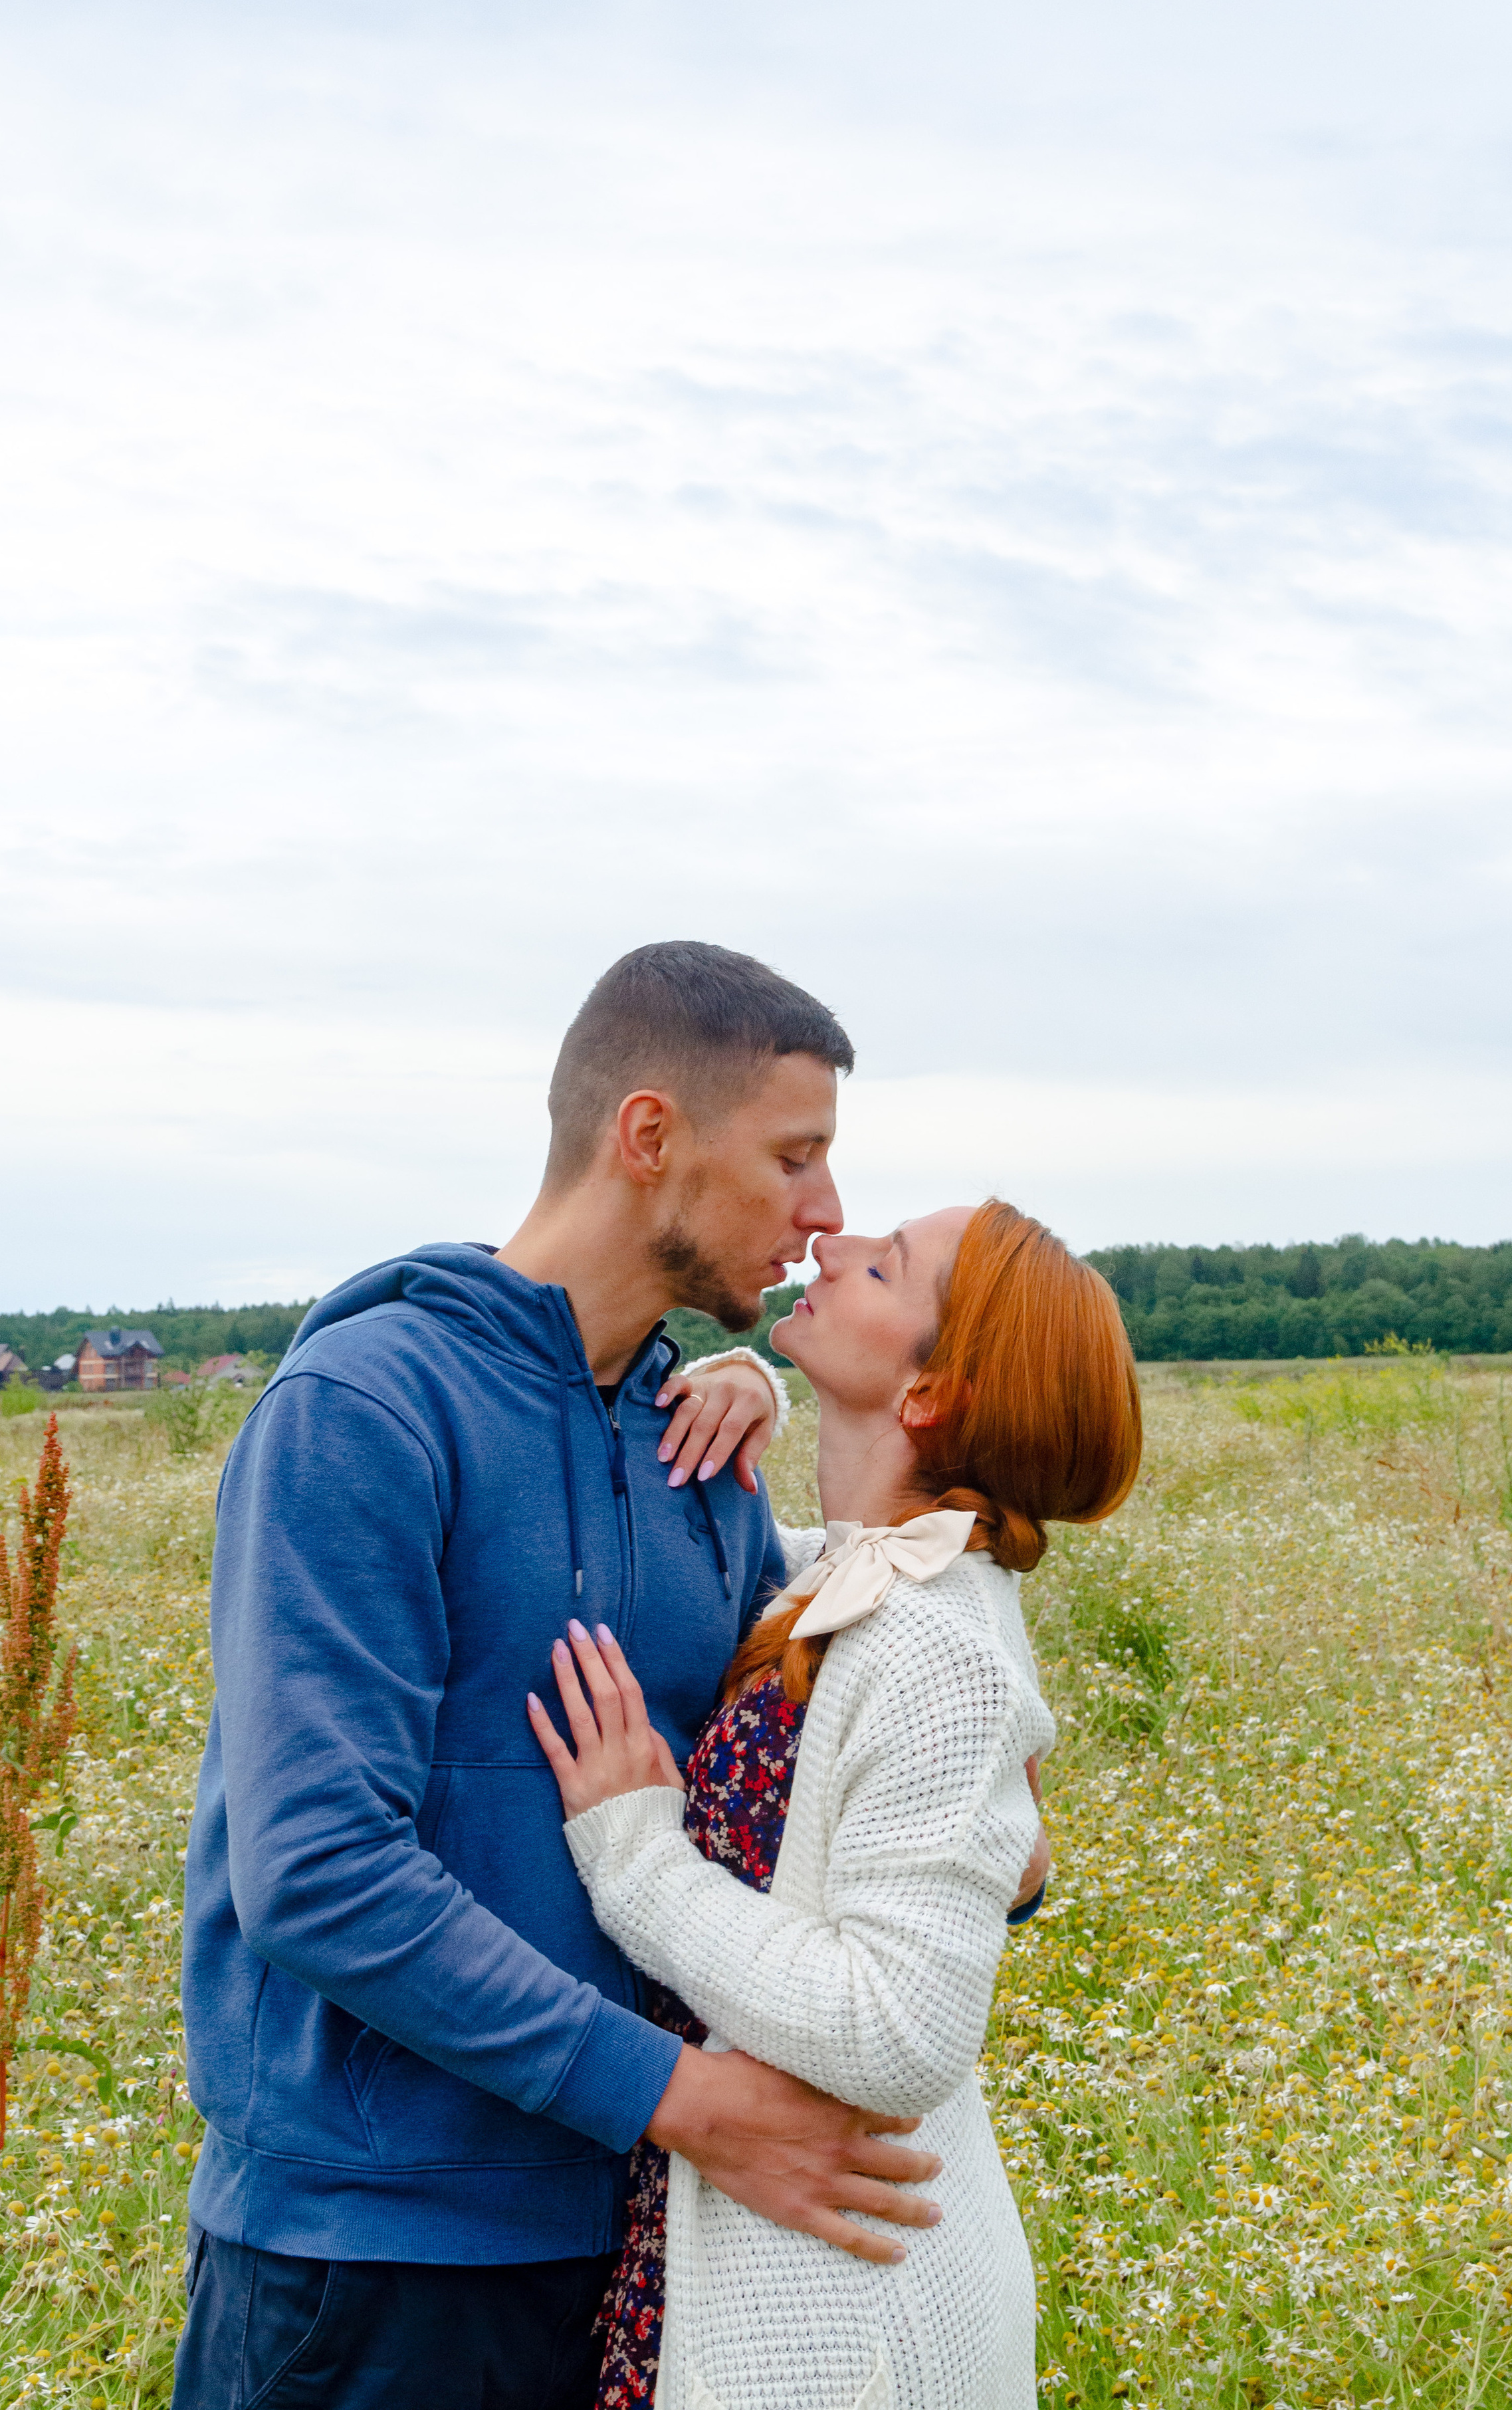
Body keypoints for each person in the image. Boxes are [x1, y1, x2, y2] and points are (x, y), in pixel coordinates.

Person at [171, 943, 952, 2410]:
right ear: (649, 1134)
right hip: (366, 2260)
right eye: (793, 1155)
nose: (825, 1210)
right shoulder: (364, 1408)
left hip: (642, 2249)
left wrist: (987, 1833)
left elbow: (778, 1784)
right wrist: (682, 2097)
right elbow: (317, 1872)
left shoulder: (702, 1451)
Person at [530, 1198, 1142, 2410]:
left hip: (848, 2324)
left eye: (883, 1267)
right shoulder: (860, 1576)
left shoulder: (940, 1650)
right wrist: (742, 1390)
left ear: (930, 1393)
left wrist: (637, 1857)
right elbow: (770, 1565)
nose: (831, 1245)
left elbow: (898, 2033)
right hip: (759, 2251)